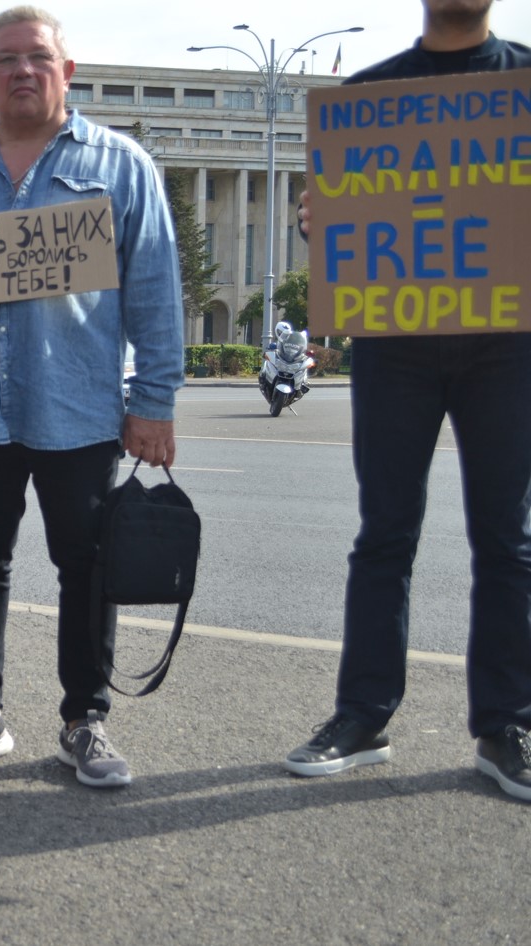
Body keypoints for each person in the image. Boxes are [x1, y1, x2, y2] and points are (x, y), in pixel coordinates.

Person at [0, 7, 184, 786]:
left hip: (79, 408)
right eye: (5, 59)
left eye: (38, 58)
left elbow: (156, 292)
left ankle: (84, 718)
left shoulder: (122, 167)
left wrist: (154, 402)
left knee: (86, 565)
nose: (23, 70)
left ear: (68, 71)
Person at [283, 0, 531, 803]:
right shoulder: (370, 98)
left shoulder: (524, 84)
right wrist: (319, 224)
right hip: (397, 342)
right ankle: (361, 716)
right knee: (384, 533)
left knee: (508, 540)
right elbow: (344, 232)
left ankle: (507, 725)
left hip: (509, 343)